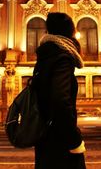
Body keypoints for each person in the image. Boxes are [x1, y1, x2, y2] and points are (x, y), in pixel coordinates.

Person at [33, 12, 86, 169]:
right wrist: (74, 139)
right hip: (60, 141)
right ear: (70, 34)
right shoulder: (62, 58)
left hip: (44, 137)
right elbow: (60, 101)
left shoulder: (45, 56)